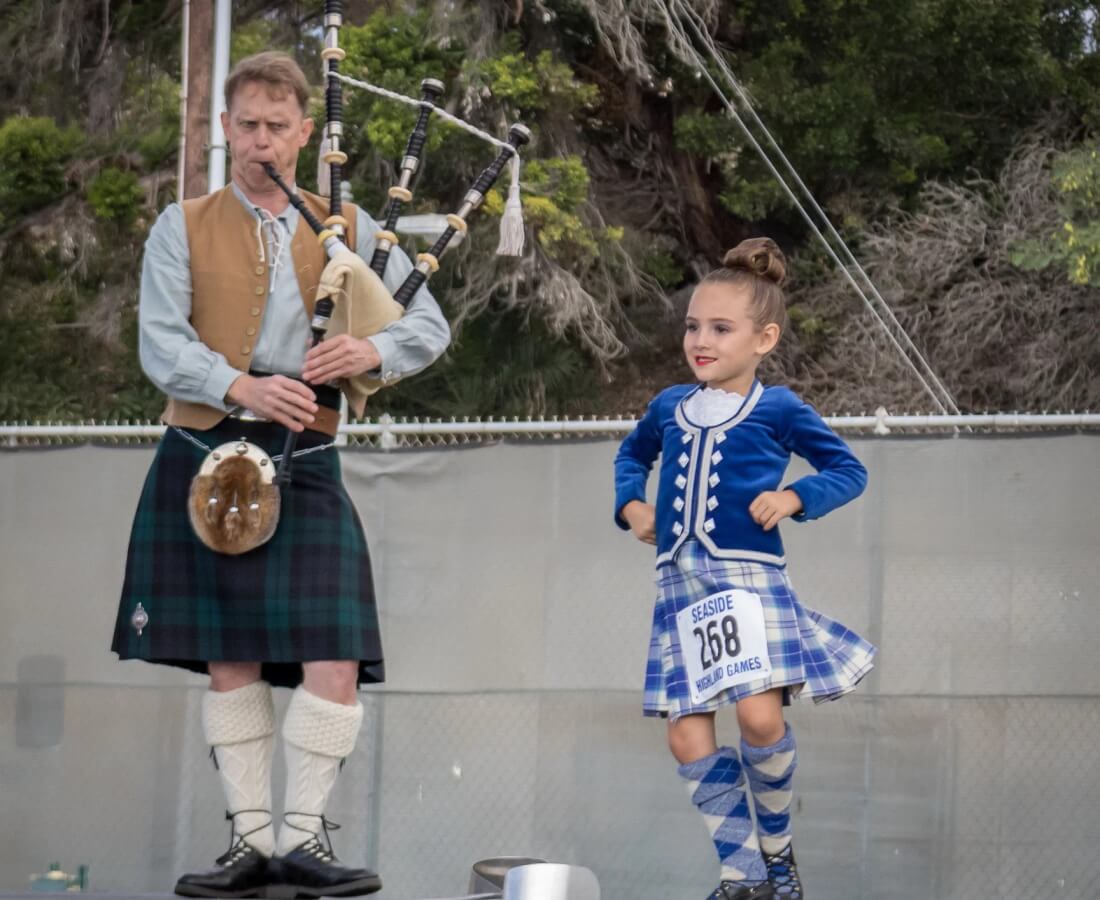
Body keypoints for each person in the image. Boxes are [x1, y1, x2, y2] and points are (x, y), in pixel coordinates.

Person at [111, 51, 450, 898]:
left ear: (306, 133)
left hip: (309, 457)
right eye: (247, 125)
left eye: (278, 126)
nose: (262, 140)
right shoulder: (180, 224)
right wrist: (240, 383)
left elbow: (429, 324)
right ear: (226, 129)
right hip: (206, 452)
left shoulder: (350, 226)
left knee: (335, 653)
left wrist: (368, 347)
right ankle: (251, 843)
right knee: (232, 656)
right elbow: (159, 341)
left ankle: (303, 840)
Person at [613, 238, 876, 900]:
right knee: (686, 735)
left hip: (746, 586)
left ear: (764, 339)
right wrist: (630, 505)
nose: (701, 340)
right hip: (679, 588)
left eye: (721, 329)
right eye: (693, 326)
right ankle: (743, 874)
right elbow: (629, 456)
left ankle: (778, 855)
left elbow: (849, 470)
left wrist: (794, 498)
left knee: (759, 720)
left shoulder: (778, 408)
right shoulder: (669, 406)